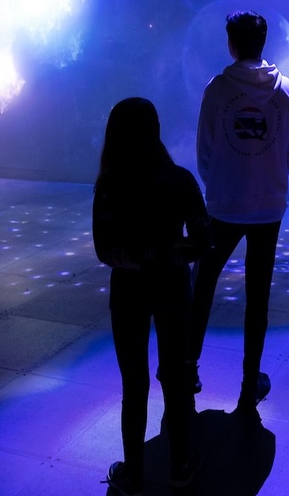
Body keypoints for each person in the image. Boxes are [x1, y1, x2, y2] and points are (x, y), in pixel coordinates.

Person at [93, 97, 208, 495]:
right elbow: (202, 242)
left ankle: (134, 474)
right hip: (174, 287)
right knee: (175, 379)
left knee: (134, 384)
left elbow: (104, 250)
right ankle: (180, 464)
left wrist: (142, 257)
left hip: (128, 292)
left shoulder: (109, 185)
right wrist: (165, 254)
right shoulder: (181, 181)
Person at [190, 10, 289, 418]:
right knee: (258, 296)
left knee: (201, 286)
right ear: (264, 41)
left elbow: (205, 151)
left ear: (231, 44)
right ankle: (249, 382)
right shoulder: (287, 90)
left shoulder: (218, 90)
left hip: (223, 204)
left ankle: (188, 368)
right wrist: (265, 180)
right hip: (269, 207)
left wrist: (219, 184)